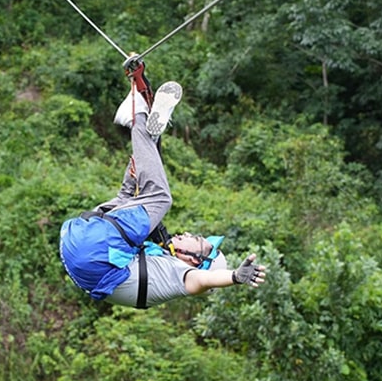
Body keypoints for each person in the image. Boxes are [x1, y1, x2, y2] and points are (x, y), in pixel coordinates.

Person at [59, 61, 266, 309]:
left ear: (195, 260)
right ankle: (145, 123)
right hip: (80, 240)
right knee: (131, 196)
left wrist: (234, 277)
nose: (189, 234)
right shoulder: (160, 259)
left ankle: (136, 118)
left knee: (160, 198)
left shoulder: (181, 275)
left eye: (196, 239)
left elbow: (205, 280)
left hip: (95, 251)